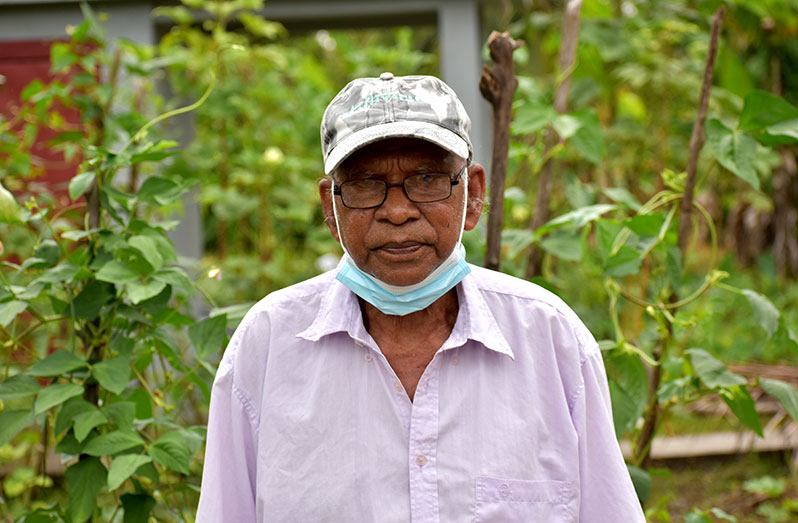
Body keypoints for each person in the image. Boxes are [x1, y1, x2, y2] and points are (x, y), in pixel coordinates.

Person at [196, 72, 644, 522]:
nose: (396, 211)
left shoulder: (551, 341)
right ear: (331, 207)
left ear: (473, 195)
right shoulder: (268, 347)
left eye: (427, 178)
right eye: (365, 184)